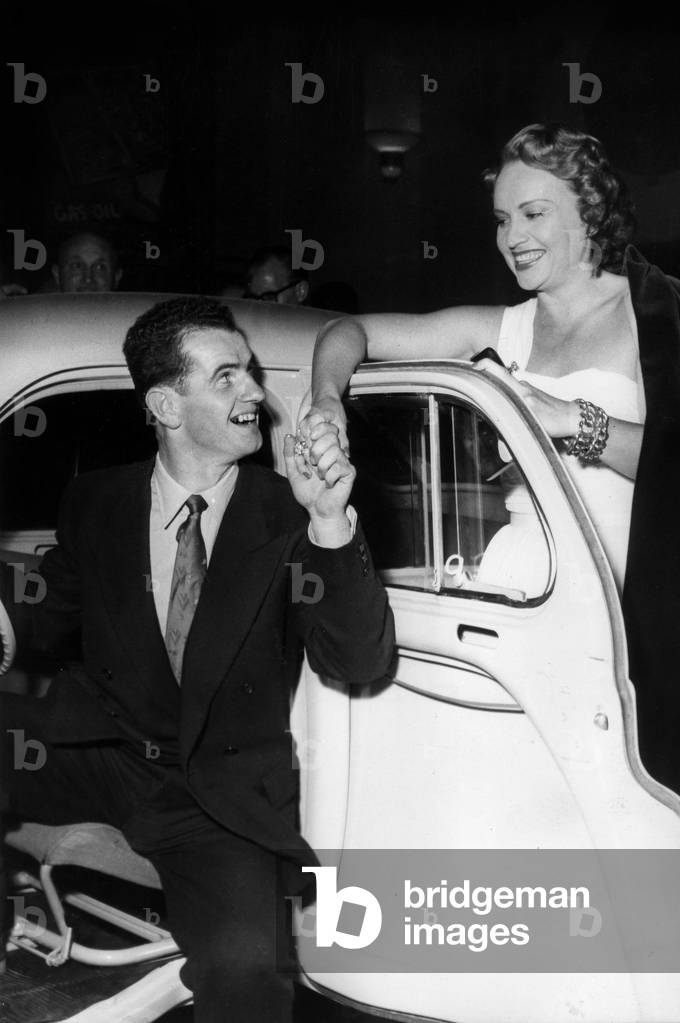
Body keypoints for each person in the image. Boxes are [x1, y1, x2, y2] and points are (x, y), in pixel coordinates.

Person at [301, 123, 680, 1022]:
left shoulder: (657, 309)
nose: (512, 236)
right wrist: (329, 395)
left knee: (616, 833)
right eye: (500, 219)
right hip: (516, 591)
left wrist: (578, 425)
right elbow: (348, 330)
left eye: (534, 212)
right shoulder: (504, 326)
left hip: (635, 602)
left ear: (590, 213)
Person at [0, 296, 395, 1022]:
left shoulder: (289, 513)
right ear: (165, 403)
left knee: (246, 968)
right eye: (227, 378)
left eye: (249, 372)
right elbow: (40, 610)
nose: (255, 393)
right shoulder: (99, 500)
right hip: (98, 750)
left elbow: (361, 657)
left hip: (214, 790)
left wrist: (332, 520)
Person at [221, 244, 310, 305]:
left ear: (300, 291)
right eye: (253, 298)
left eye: (269, 298)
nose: (258, 307)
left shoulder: (317, 330)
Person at [48, 229, 123, 293]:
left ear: (117, 276)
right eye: (77, 266)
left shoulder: (133, 308)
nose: (88, 279)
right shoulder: (38, 308)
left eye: (100, 267)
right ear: (57, 274)